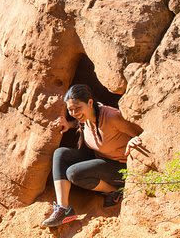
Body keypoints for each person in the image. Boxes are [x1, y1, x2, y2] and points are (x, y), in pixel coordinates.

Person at [41, 84, 143, 228]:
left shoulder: (112, 117)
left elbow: (140, 131)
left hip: (121, 168)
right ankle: (63, 209)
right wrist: (69, 124)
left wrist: (135, 139)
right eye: (70, 110)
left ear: (90, 103)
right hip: (101, 160)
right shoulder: (86, 118)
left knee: (74, 173)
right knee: (60, 153)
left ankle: (115, 192)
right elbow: (81, 121)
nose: (75, 112)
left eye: (78, 108)